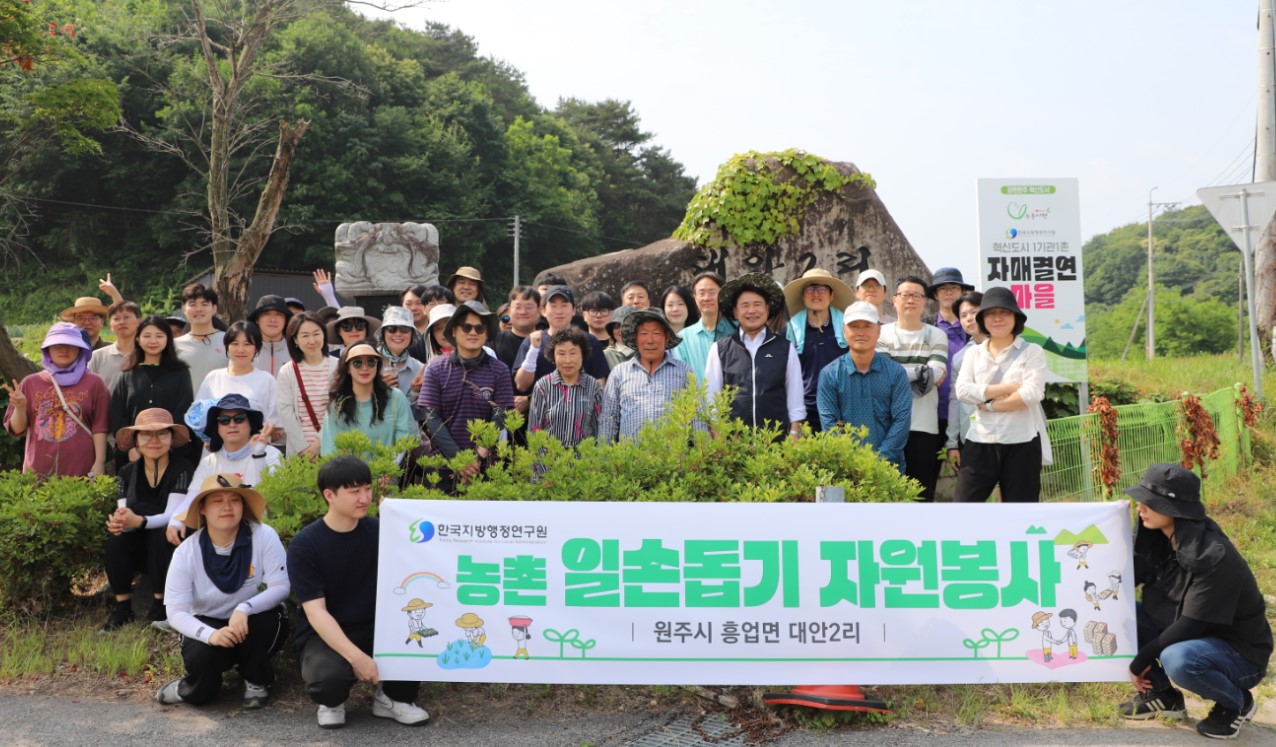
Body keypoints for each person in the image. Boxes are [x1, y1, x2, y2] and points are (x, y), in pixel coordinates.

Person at [1119, 464, 1271, 739]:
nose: (1140, 507)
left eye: (1150, 503)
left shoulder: (1212, 555)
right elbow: (1126, 580)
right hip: (1189, 634)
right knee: (1117, 613)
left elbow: (1191, 625)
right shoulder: (1159, 535)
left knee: (1177, 659)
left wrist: (1139, 660)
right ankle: (1164, 696)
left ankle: (1237, 702)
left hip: (1237, 653)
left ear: (1174, 509)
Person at [289, 456, 430, 729]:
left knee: (417, 630)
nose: (364, 498)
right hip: (324, 631)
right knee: (328, 681)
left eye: (367, 488)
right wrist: (357, 658)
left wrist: (398, 518)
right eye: (354, 491)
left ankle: (393, 698)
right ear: (329, 495)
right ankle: (332, 701)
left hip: (375, 625)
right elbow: (316, 613)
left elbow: (418, 561)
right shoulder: (305, 545)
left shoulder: (380, 531)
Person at [155, 473, 290, 710]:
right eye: (217, 501)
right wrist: (211, 635)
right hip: (207, 621)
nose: (227, 507)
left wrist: (244, 608)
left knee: (267, 624)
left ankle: (257, 678)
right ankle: (191, 687)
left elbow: (281, 587)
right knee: (201, 682)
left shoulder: (264, 535)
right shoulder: (186, 552)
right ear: (203, 509)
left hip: (250, 618)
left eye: (235, 500)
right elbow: (175, 612)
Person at [101, 409, 195, 631]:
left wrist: (140, 522)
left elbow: (173, 514)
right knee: (115, 541)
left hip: (170, 541)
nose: (154, 440)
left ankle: (160, 604)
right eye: (146, 434)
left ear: (171, 439)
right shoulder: (126, 472)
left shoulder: (183, 468)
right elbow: (124, 511)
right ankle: (123, 607)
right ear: (136, 441)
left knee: (162, 535)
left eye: (162, 434)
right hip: (138, 539)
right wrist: (120, 521)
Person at [953, 286, 1049, 503]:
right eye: (991, 313)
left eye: (1004, 312)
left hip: (1022, 442)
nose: (997, 318)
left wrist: (988, 404)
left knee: (1021, 512)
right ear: (983, 319)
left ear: (1015, 317)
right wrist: (1009, 388)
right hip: (980, 440)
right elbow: (963, 391)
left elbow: (1031, 394)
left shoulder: (1032, 352)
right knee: (963, 508)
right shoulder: (974, 353)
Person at [418, 302, 514, 491]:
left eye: (479, 328)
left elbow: (500, 416)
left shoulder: (500, 370)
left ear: (487, 333)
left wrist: (477, 458)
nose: (473, 332)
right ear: (454, 331)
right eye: (466, 327)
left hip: (487, 467)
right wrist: (460, 460)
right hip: (442, 467)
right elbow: (431, 418)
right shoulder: (436, 369)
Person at [166, 394, 283, 546]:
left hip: (261, 534)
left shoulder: (272, 455)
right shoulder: (209, 462)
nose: (232, 424)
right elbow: (191, 498)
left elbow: (269, 500)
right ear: (217, 428)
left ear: (250, 424)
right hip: (219, 535)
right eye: (224, 420)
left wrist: (258, 455)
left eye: (239, 418)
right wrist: (174, 521)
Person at [3, 322, 110, 477]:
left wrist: (99, 462)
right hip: (38, 471)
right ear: (48, 350)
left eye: (70, 345)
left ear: (80, 349)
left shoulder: (95, 383)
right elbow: (17, 429)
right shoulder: (31, 383)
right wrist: (20, 408)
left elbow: (100, 427)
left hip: (82, 469)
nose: (64, 350)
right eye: (57, 345)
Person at [705, 273, 805, 438]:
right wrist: (718, 439)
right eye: (745, 305)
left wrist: (794, 433)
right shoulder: (719, 349)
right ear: (735, 312)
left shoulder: (786, 348)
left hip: (777, 442)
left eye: (757, 304)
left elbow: (795, 399)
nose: (751, 310)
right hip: (733, 443)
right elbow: (711, 399)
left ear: (767, 308)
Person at [816, 302, 911, 470]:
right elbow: (830, 424)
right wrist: (853, 464)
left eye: (867, 326)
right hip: (845, 470)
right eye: (854, 326)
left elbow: (901, 422)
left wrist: (878, 462)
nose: (861, 332)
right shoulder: (830, 374)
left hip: (888, 469)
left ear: (878, 330)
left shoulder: (896, 373)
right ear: (844, 331)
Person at [877, 276, 948, 501]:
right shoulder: (881, 333)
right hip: (888, 426)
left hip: (924, 426)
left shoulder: (936, 334)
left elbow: (937, 373)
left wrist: (897, 376)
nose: (910, 300)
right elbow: (882, 377)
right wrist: (921, 374)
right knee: (887, 495)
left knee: (921, 495)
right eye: (905, 295)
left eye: (917, 295)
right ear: (894, 299)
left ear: (924, 301)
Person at [109, 315, 196, 467]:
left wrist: (164, 445)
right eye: (147, 336)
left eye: (159, 336)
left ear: (168, 339)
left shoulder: (180, 372)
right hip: (133, 456)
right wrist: (132, 446)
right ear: (138, 339)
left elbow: (184, 410)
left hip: (172, 454)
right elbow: (117, 414)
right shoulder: (128, 373)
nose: (153, 341)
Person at [598, 309, 696, 443]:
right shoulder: (619, 373)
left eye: (656, 333)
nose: (650, 340)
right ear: (636, 339)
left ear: (666, 337)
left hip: (674, 455)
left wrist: (701, 452)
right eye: (643, 334)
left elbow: (697, 417)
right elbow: (608, 420)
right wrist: (604, 453)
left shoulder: (684, 371)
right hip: (630, 455)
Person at [784, 268, 854, 434]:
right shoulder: (790, 329)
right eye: (810, 288)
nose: (816, 293)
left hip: (841, 411)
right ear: (803, 295)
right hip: (803, 413)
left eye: (822, 288)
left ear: (832, 295)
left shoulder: (848, 327)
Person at [320, 343, 416, 456]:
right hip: (349, 467)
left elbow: (406, 439)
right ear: (348, 368)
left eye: (371, 362)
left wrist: (389, 465)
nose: (365, 368)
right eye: (357, 363)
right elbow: (331, 449)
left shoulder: (396, 397)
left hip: (390, 466)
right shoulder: (337, 405)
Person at [514, 286, 609, 392]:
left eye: (564, 305)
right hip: (541, 402)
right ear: (543, 311)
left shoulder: (589, 341)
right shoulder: (532, 342)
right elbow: (521, 385)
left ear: (573, 310)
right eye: (553, 306)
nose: (559, 311)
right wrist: (533, 350)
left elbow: (600, 385)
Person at [196, 320, 280, 429]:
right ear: (227, 346)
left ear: (257, 348)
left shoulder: (267, 380)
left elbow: (275, 421)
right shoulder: (213, 378)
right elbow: (198, 416)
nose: (241, 350)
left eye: (247, 344)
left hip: (256, 439)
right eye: (235, 343)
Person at [276, 312, 338, 457]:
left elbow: (339, 410)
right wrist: (303, 448)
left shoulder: (338, 367)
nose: (312, 341)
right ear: (295, 340)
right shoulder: (287, 371)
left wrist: (319, 443)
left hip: (332, 448)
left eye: (316, 334)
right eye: (305, 336)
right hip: (300, 454)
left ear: (324, 335)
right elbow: (286, 413)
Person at [529, 327, 603, 447]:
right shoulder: (543, 386)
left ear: (582, 355)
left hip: (584, 457)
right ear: (553, 356)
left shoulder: (593, 386)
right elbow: (534, 430)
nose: (567, 360)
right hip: (550, 456)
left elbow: (599, 430)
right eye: (561, 354)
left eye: (573, 353)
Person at [928, 268, 973, 460]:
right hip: (932, 413)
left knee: (969, 470)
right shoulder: (925, 326)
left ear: (962, 292)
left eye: (954, 287)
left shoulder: (974, 329)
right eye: (943, 288)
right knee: (927, 470)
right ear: (936, 294)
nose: (948, 292)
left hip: (966, 412)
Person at [944, 292, 985, 477]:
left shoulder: (1004, 348)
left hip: (1004, 434)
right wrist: (952, 443)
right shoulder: (960, 358)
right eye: (963, 315)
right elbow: (955, 400)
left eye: (974, 312)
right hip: (969, 437)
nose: (969, 318)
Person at [673, 271, 735, 381]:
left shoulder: (738, 330)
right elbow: (680, 378)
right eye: (701, 293)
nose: (707, 298)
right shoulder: (683, 338)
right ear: (695, 297)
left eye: (712, 292)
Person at [173, 283, 227, 394]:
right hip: (186, 405)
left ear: (214, 308)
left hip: (222, 404)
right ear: (184, 309)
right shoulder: (174, 346)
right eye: (192, 304)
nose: (198, 309)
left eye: (204, 304)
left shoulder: (229, 341)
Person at [375, 306, 423, 413]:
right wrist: (378, 389)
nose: (398, 334)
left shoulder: (419, 368)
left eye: (404, 329)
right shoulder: (367, 362)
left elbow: (419, 414)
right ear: (383, 333)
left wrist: (415, 392)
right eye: (391, 329)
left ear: (412, 334)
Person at [90, 300, 142, 391]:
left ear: (139, 321)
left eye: (126, 317)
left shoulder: (147, 354)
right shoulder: (97, 356)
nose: (121, 322)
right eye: (116, 319)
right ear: (110, 325)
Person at [402, 284, 454, 363]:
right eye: (432, 304)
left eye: (442, 303)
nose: (437, 308)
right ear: (424, 309)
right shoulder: (416, 346)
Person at [492, 286, 540, 371]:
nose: (523, 312)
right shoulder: (494, 342)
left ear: (539, 310)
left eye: (528, 307)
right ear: (510, 310)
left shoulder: (549, 342)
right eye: (518, 307)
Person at [248, 295, 293, 377]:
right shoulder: (245, 350)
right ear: (257, 319)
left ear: (285, 320)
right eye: (266, 314)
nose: (273, 320)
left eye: (278, 314)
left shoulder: (296, 350)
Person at [603, 305, 636, 370]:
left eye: (626, 325)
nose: (621, 330)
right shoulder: (605, 355)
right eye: (617, 326)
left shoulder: (645, 352)